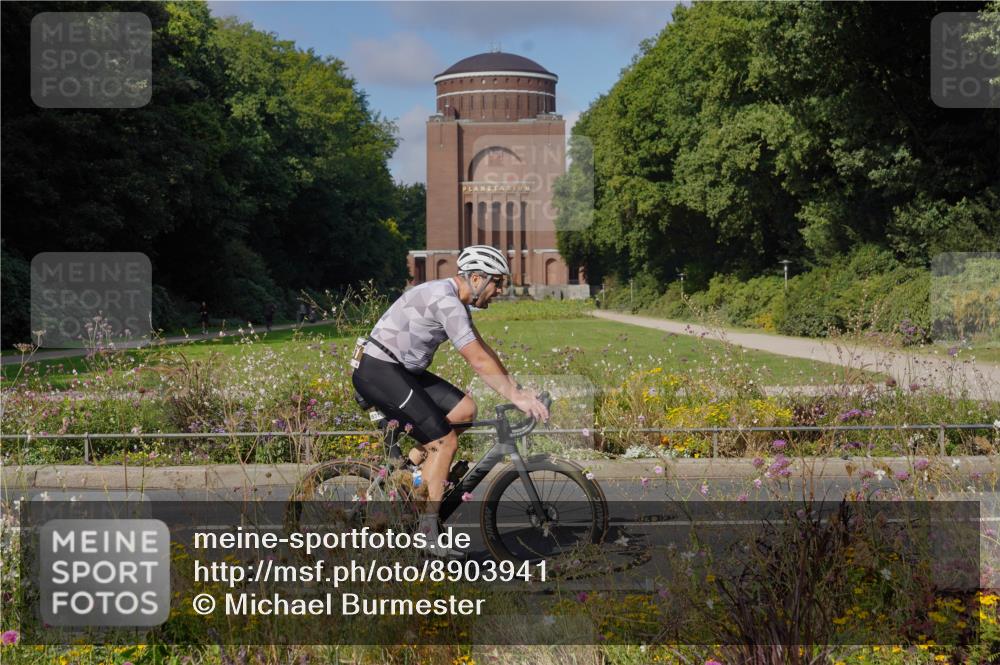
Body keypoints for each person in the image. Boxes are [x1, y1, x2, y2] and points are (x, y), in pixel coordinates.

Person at [351, 245, 549, 556]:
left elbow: (484, 350)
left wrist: (518, 390)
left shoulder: (454, 300)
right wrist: (516, 397)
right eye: (497, 282)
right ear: (476, 278)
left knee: (465, 410)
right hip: (379, 371)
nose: (500, 290)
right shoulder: (446, 302)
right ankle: (427, 534)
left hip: (400, 371)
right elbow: (477, 361)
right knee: (445, 442)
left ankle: (410, 476)